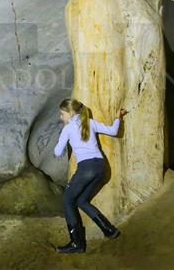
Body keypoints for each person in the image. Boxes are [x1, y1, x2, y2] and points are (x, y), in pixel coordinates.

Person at [52, 98, 127, 254]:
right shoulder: (90, 122)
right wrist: (118, 118)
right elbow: (113, 131)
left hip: (86, 168)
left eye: (62, 114)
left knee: (67, 200)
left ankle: (76, 244)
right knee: (81, 201)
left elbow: (57, 152)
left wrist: (63, 140)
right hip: (101, 167)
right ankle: (109, 230)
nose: (61, 117)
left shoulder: (68, 128)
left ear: (70, 113)